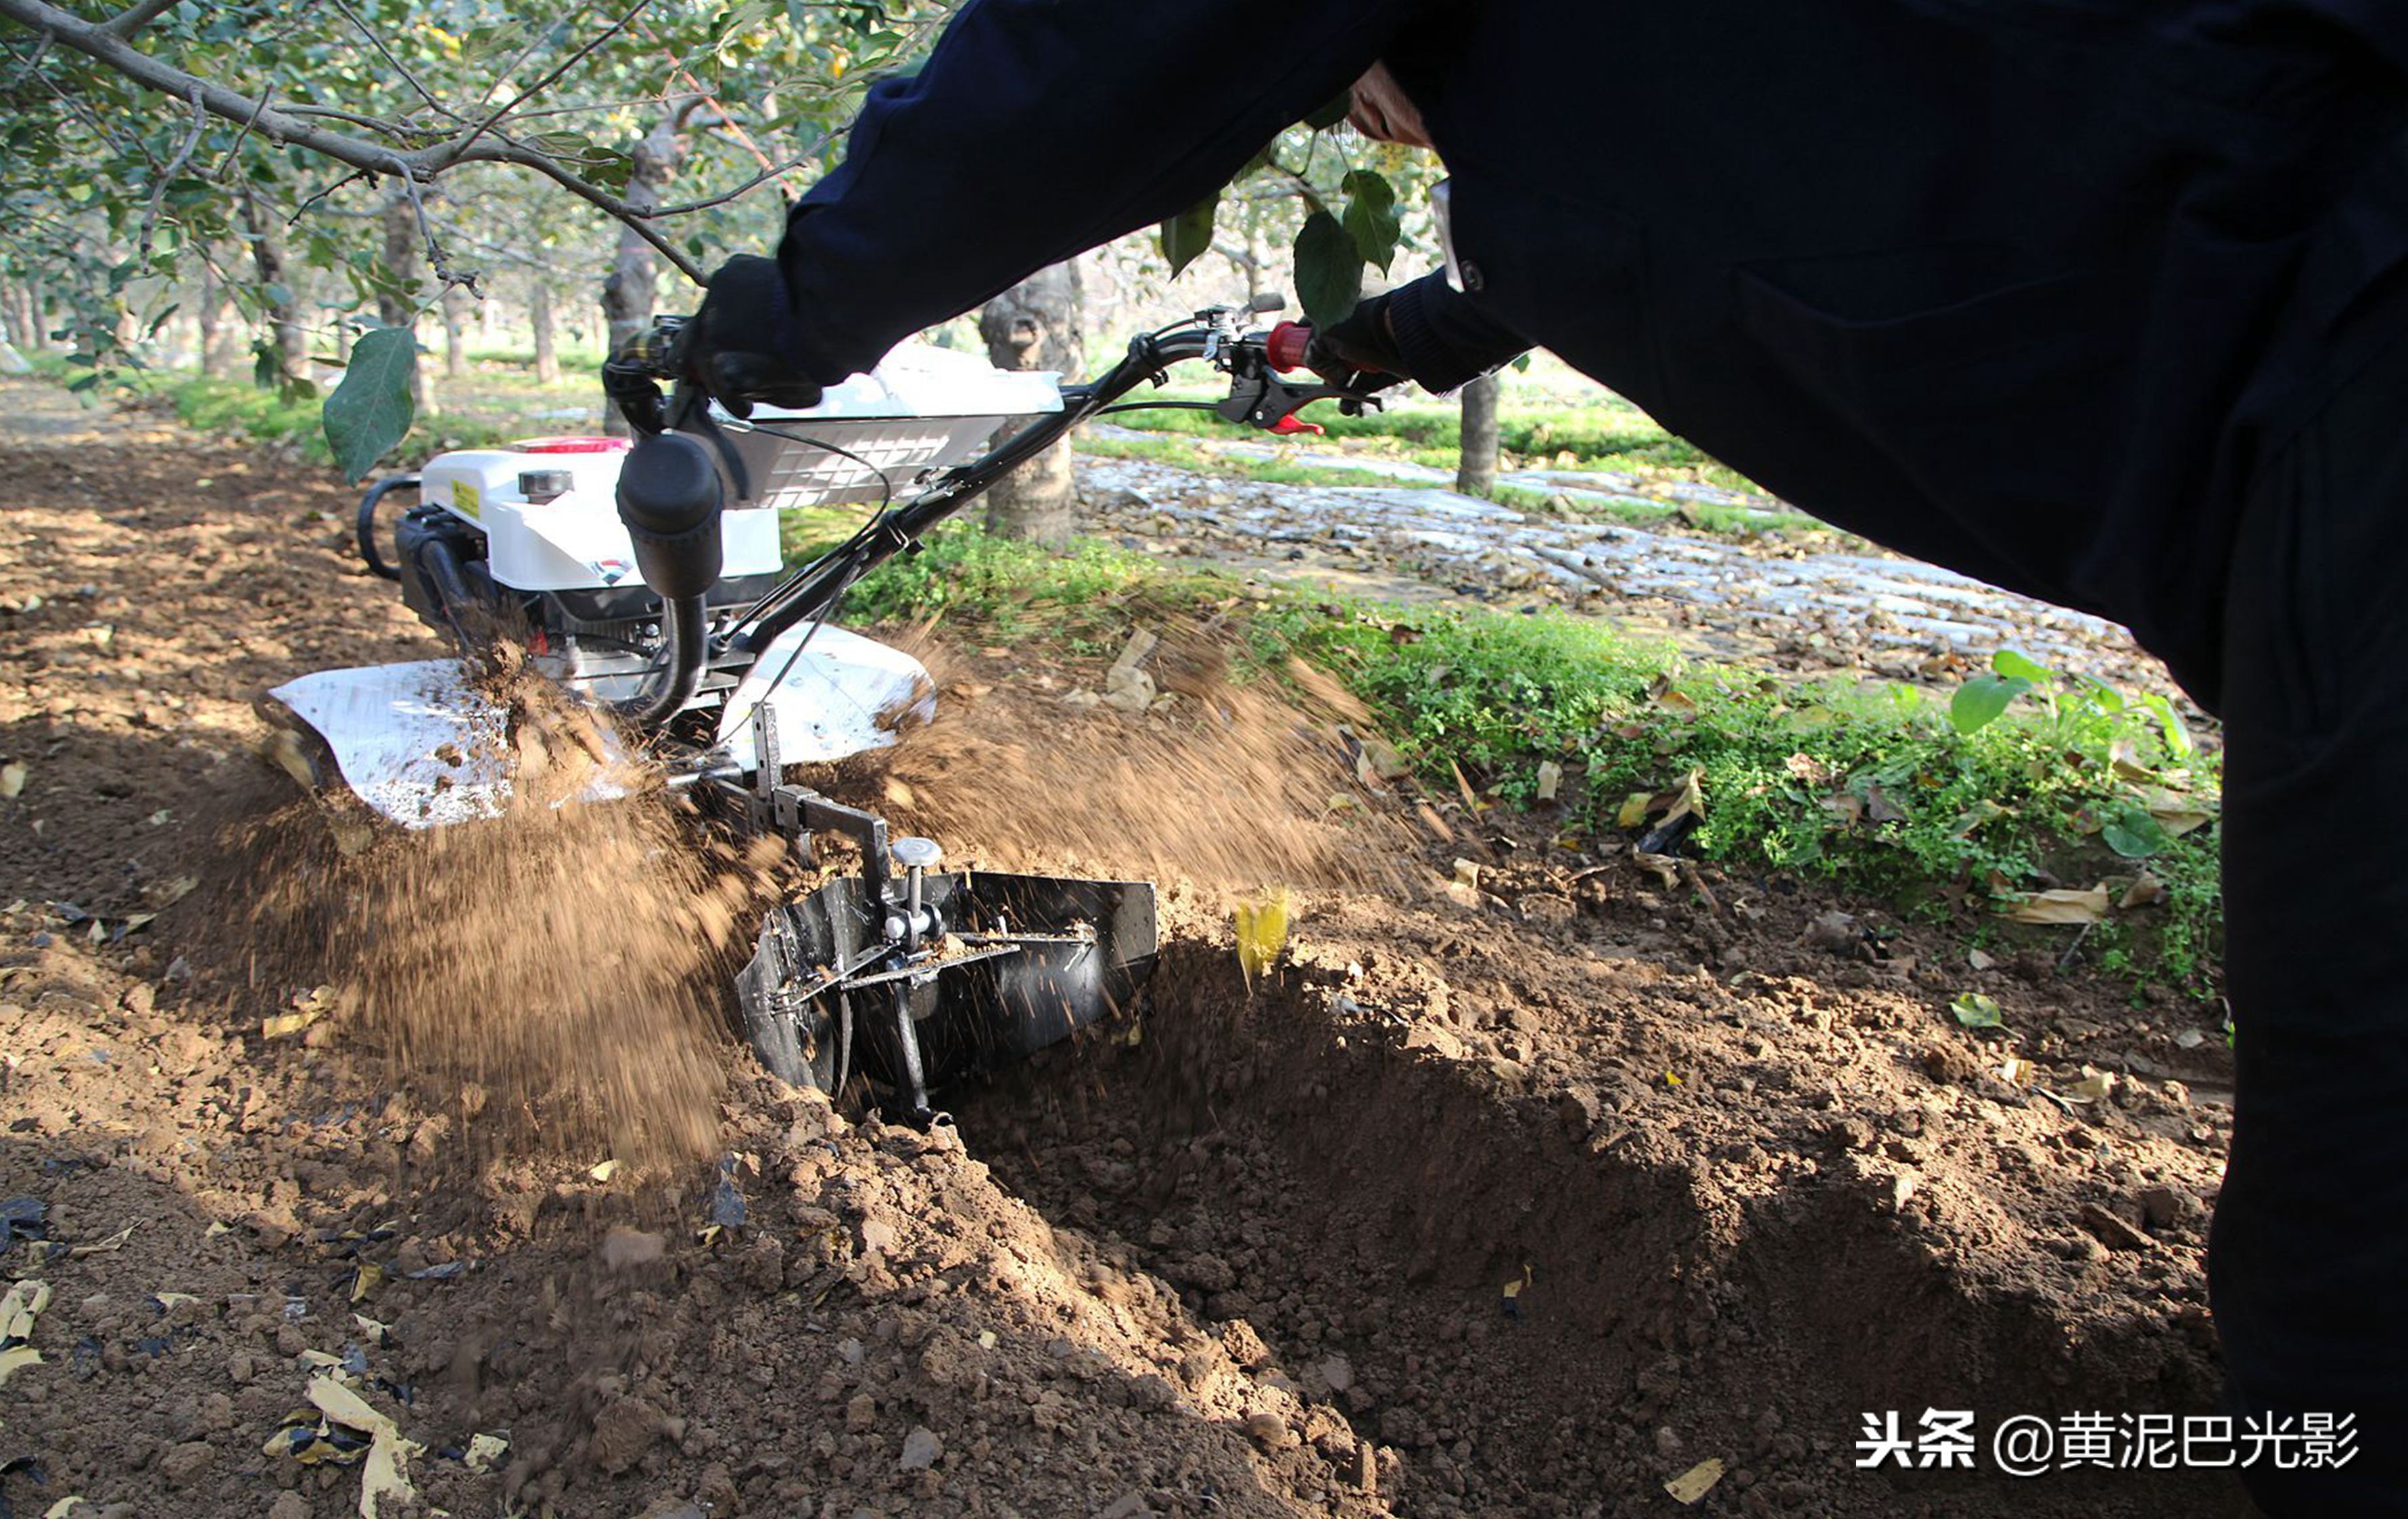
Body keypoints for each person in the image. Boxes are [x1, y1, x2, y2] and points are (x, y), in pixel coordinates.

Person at [674, 3, 2408, 1512]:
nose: (1344, 113)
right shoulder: (1606, 84)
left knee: (2344, 1271)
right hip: (2295, 449)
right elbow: (1577, 253)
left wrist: (787, 313)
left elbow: (1097, 54)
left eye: (1325, 82)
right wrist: (1333, 346)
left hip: (2353, 363)